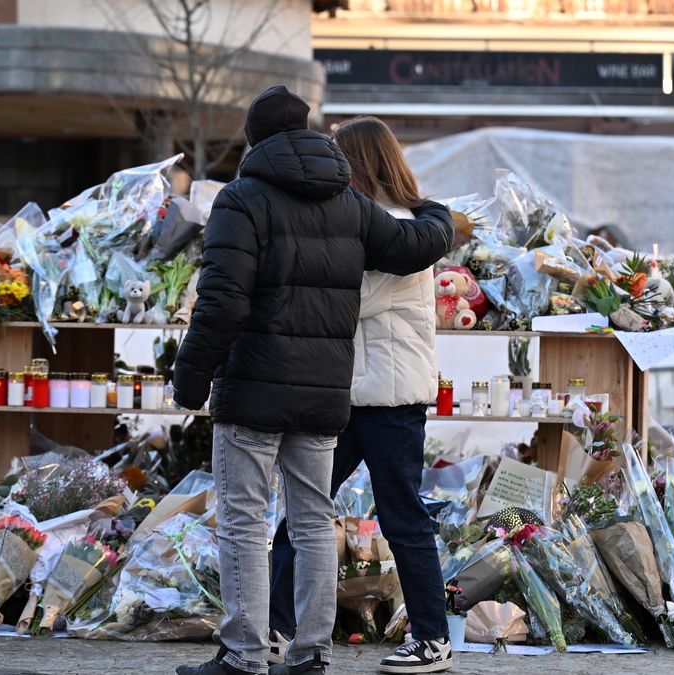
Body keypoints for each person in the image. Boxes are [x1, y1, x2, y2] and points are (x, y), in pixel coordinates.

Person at [172, 88, 453, 675]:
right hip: (329, 393)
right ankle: (310, 653)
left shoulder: (240, 200)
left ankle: (246, 653)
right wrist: (439, 215)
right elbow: (412, 247)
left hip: (259, 385)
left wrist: (191, 376)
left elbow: (222, 300)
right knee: (311, 521)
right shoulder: (348, 206)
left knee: (248, 521)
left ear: (255, 140)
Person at [267, 116, 453, 675]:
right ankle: (276, 627)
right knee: (304, 513)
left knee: (402, 519)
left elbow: (348, 299)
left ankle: (433, 639)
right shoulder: (368, 223)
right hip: (349, 397)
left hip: (390, 399)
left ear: (361, 164)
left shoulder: (400, 232)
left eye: (340, 160)